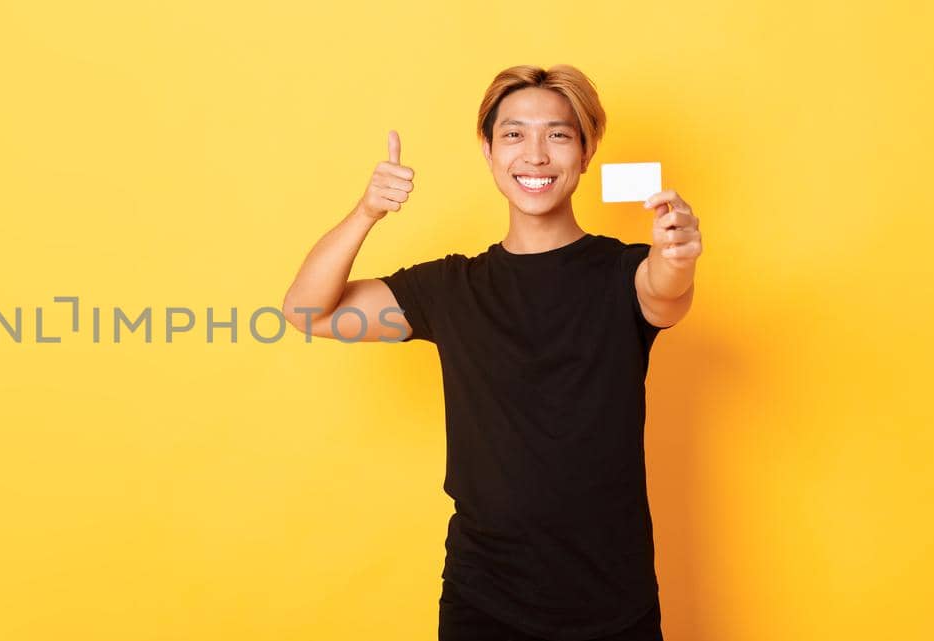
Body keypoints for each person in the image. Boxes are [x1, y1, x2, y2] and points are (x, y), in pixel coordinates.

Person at [280, 64, 702, 641]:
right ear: (487, 149)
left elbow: (665, 295)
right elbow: (307, 312)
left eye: (557, 135)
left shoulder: (625, 272)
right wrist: (366, 213)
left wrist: (678, 259)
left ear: (586, 152)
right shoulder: (451, 288)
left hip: (612, 599)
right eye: (513, 134)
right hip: (485, 600)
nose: (535, 155)